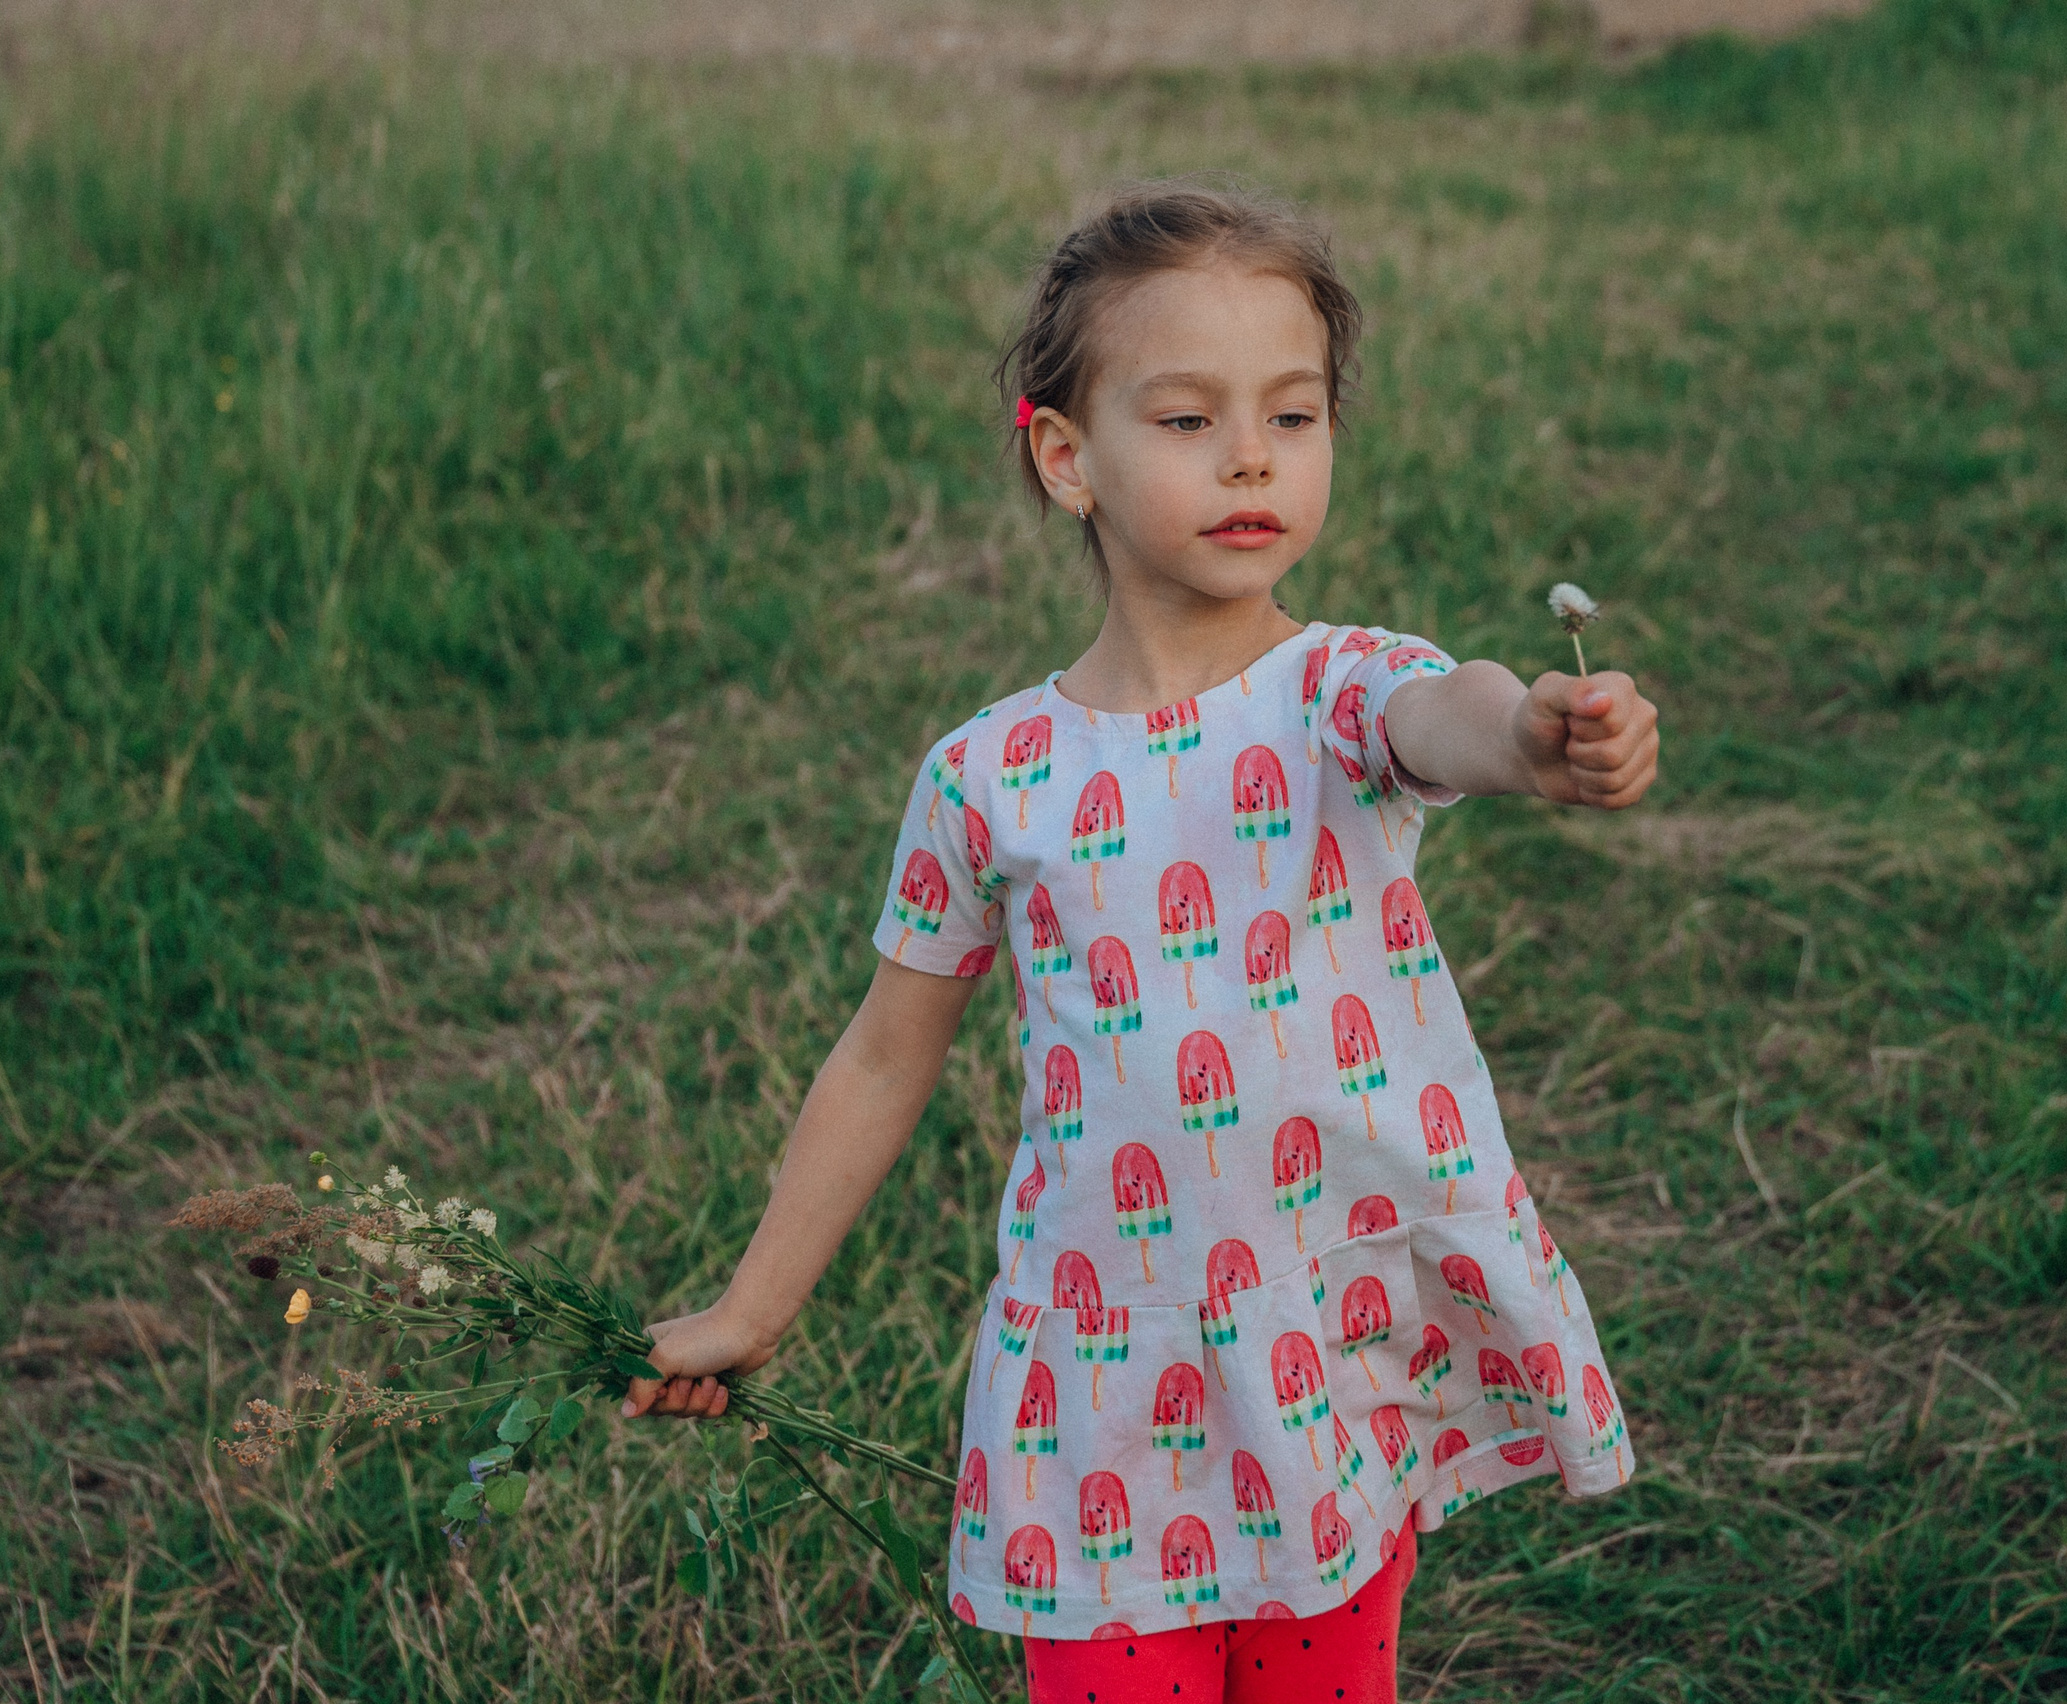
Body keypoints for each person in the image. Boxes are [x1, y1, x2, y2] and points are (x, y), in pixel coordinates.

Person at [620, 180, 1657, 1703]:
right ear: (1066, 459)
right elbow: (884, 1052)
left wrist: (1537, 730)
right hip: (1105, 1372)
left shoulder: (1336, 697)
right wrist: (753, 1305)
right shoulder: (991, 776)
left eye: (1294, 418)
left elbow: (1458, 707)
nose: (1251, 456)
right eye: (1186, 420)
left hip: (1319, 1345)